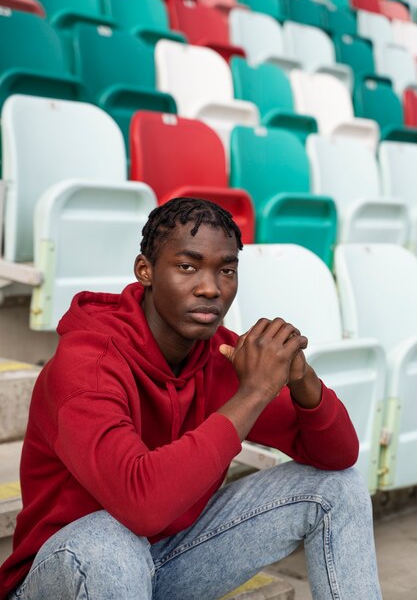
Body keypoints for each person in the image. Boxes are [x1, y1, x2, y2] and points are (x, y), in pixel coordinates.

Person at [0, 198, 382, 600]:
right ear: (145, 270)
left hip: (162, 564)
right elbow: (140, 503)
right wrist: (253, 393)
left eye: (227, 270)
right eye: (187, 266)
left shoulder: (221, 356)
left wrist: (302, 380)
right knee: (109, 540)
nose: (210, 288)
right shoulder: (86, 364)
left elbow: (337, 455)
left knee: (337, 487)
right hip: (67, 573)